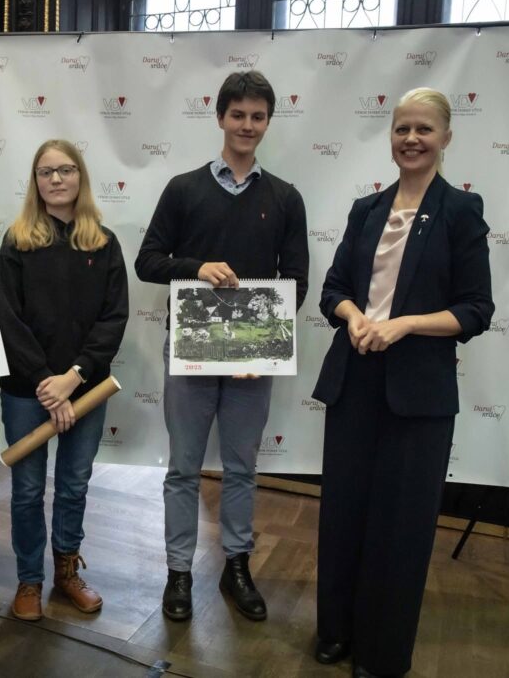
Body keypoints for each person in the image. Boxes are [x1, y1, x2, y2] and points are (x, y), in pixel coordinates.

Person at [311, 88, 494, 678]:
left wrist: (406, 325)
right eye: (401, 129)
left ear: (445, 137)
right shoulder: (366, 210)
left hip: (419, 396)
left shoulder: (461, 212)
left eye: (423, 129)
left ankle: (383, 652)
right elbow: (332, 289)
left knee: (401, 527)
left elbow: (476, 310)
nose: (411, 139)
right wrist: (356, 317)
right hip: (354, 382)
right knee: (344, 514)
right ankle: (336, 630)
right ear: (389, 136)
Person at [135, 71, 309, 622]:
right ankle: (179, 572)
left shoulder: (286, 197)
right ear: (219, 117)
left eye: (258, 117)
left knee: (240, 468)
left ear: (268, 122)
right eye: (238, 115)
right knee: (184, 469)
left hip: (252, 361)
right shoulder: (184, 189)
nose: (247, 126)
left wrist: (267, 349)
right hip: (189, 351)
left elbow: (297, 280)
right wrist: (196, 268)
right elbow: (147, 261)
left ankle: (237, 566)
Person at [0, 139, 128, 621]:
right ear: (35, 181)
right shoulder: (17, 241)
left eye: (65, 170)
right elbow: (9, 320)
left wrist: (72, 379)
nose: (56, 179)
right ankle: (28, 581)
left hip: (87, 389)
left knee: (73, 484)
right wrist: (46, 386)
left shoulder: (104, 243)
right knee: (28, 490)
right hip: (27, 391)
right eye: (46, 172)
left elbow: (113, 320)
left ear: (80, 177)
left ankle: (66, 572)